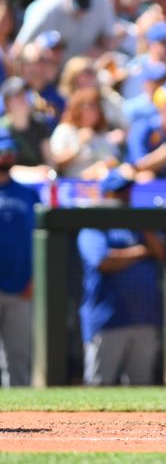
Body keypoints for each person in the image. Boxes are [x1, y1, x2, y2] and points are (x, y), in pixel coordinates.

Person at [77, 168, 164, 385]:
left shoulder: (138, 225)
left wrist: (146, 233)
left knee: (142, 387)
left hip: (144, 317)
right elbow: (104, 261)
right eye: (118, 192)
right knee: (98, 384)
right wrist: (142, 251)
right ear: (106, 195)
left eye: (127, 192)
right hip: (107, 318)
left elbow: (163, 253)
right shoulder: (94, 224)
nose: (124, 197)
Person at [0, 130, 38, 386]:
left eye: (11, 151)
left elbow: (39, 241)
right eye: (4, 151)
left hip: (21, 287)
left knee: (19, 356)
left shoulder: (28, 194)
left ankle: (19, 414)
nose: (7, 155)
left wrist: (35, 279)